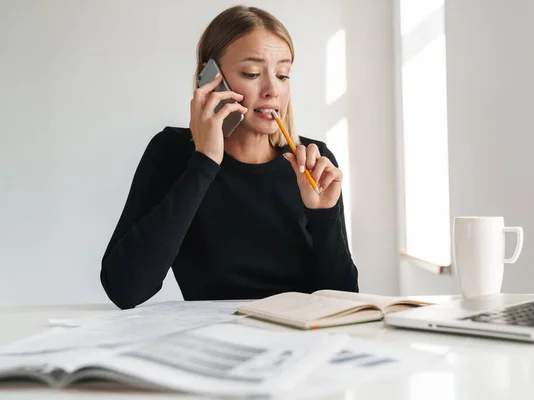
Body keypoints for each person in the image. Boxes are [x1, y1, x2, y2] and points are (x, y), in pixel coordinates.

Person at [100, 5, 358, 310]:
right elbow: (125, 289)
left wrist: (323, 214)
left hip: (299, 341)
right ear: (211, 79)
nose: (272, 89)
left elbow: (343, 304)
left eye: (283, 75)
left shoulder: (313, 161)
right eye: (252, 73)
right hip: (213, 344)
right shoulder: (172, 153)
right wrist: (205, 161)